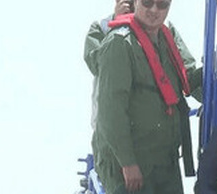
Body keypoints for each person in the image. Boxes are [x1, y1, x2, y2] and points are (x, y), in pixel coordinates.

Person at [92, 0, 197, 194]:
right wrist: (128, 163)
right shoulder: (119, 44)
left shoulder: (167, 36)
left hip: (165, 162)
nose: (154, 10)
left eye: (162, 4)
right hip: (131, 166)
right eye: (147, 2)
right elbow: (110, 112)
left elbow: (192, 77)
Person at [83, 0, 201, 130]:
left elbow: (187, 73)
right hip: (119, 132)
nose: (153, 9)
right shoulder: (102, 27)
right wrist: (117, 29)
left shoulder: (166, 30)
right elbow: (97, 65)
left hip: (161, 134)